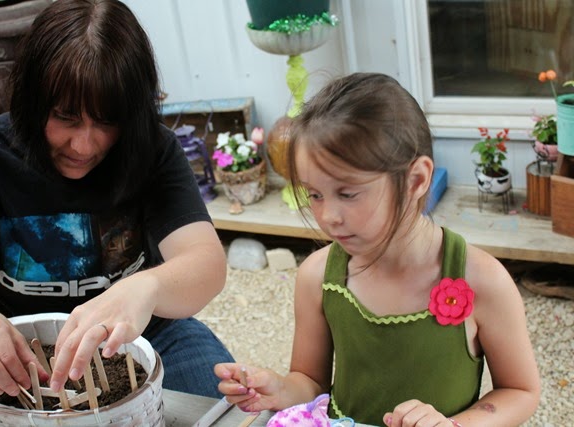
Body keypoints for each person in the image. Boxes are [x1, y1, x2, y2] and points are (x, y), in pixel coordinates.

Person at [0, 0, 233, 399]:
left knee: (224, 409)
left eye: (107, 121)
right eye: (65, 117)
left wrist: (145, 288)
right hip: (19, 349)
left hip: (144, 334)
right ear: (30, 101)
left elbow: (206, 263)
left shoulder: (151, 147)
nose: (84, 145)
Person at [215, 73, 541, 426]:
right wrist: (280, 388)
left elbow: (520, 391)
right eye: (315, 194)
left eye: (348, 193)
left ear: (416, 180)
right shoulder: (318, 277)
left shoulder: (482, 280)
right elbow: (310, 381)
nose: (328, 216)